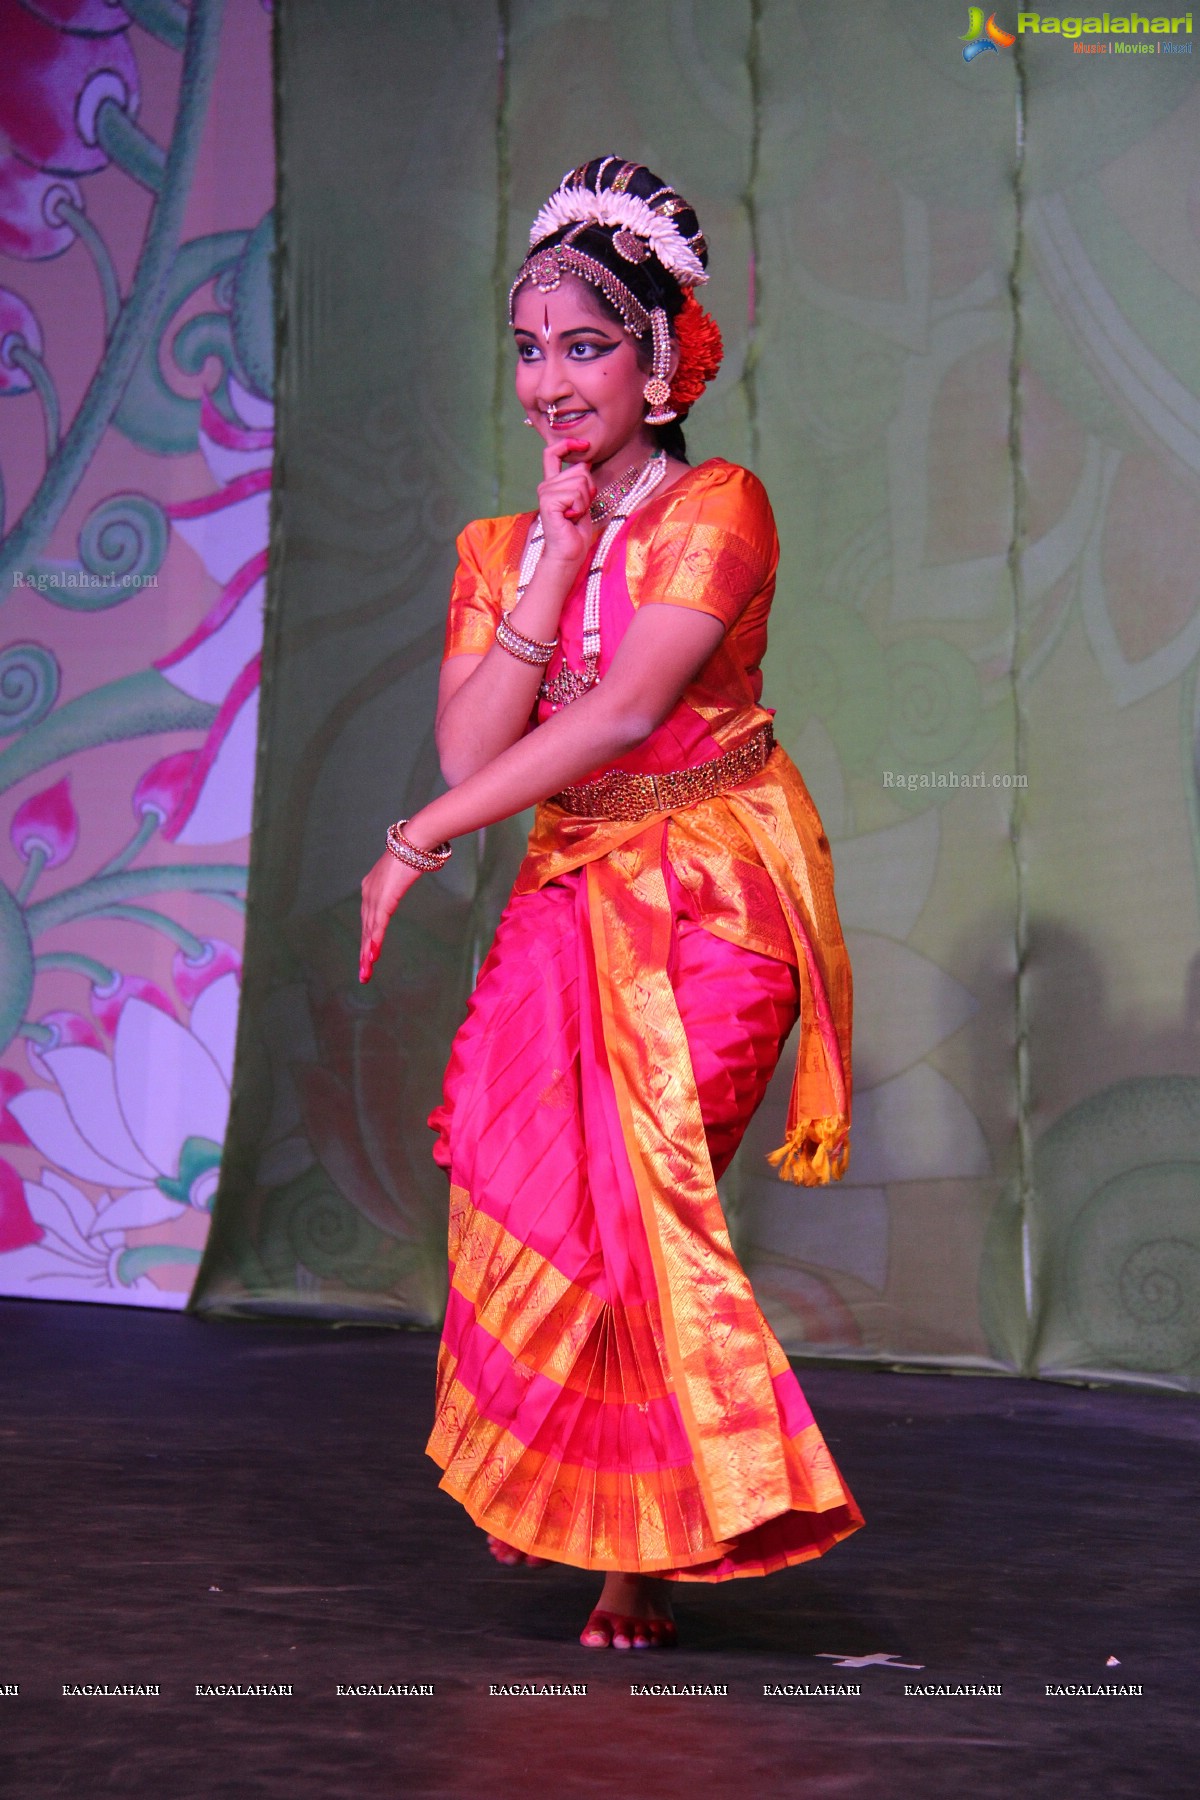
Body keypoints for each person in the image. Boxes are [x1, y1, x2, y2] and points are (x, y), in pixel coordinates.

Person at [360, 156, 862, 1651]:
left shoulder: (721, 506)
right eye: (529, 349)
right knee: (531, 1198)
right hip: (572, 888)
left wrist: (416, 840)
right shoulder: (500, 549)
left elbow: (621, 708)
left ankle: (639, 1550)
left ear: (663, 354)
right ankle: (600, 1514)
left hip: (713, 892)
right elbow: (479, 744)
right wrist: (555, 560)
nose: (550, 380)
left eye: (585, 344)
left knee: (648, 1206)